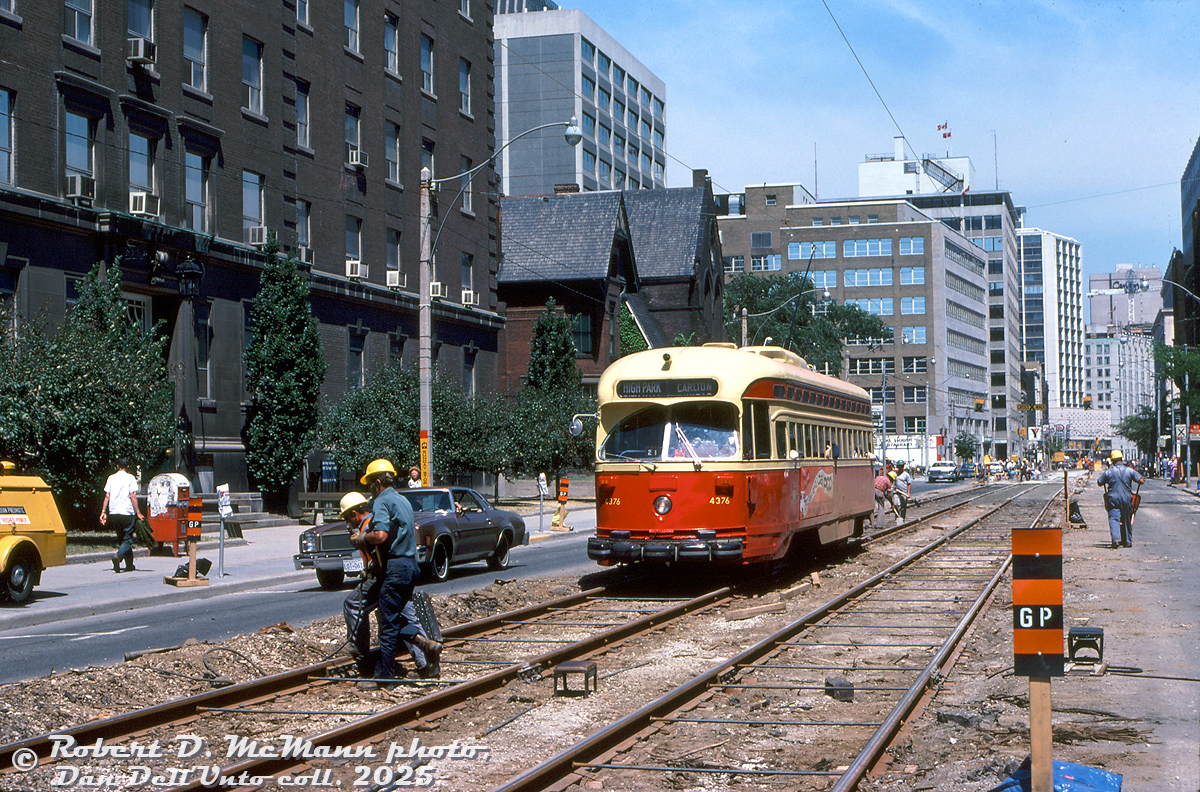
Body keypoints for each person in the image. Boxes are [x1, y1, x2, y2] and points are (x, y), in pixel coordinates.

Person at [360, 459, 441, 688]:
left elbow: (382, 536)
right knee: (396, 616)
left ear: (377, 483)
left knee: (386, 624)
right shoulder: (403, 499)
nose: (369, 490)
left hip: (395, 568)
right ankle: (427, 645)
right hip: (411, 566)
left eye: (370, 485)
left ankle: (385, 678)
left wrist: (362, 538)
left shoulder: (381, 501)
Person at [340, 492, 438, 681]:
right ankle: (426, 655)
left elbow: (381, 553)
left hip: (390, 577)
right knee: (401, 617)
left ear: (354, 514)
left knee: (356, 605)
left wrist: (373, 567)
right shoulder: (385, 516)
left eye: (347, 518)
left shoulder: (369, 527)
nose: (347, 523)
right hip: (405, 572)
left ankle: (365, 656)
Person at [101, 459, 144, 574]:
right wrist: (138, 512)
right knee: (128, 540)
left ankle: (129, 565)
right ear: (128, 466)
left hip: (114, 512)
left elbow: (107, 496)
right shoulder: (130, 478)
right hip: (127, 512)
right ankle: (118, 556)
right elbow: (132, 495)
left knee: (123, 538)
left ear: (117, 466)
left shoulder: (111, 478)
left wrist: (103, 512)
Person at [1096, 449, 1145, 549]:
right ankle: (1127, 541)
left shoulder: (1109, 472)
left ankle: (1115, 540)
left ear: (1112, 461)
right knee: (1127, 518)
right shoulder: (1129, 470)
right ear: (1121, 459)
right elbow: (1141, 480)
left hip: (1113, 499)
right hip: (1127, 498)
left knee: (1114, 518)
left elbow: (1099, 482)